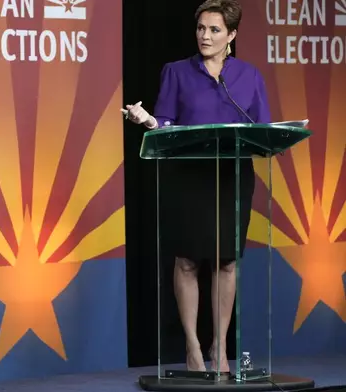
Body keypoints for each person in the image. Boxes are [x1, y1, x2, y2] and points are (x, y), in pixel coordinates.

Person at [122, 0, 270, 373]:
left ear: (231, 35)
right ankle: (192, 347)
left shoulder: (249, 76)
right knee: (187, 261)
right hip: (187, 178)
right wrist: (148, 120)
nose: (205, 36)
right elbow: (166, 123)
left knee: (226, 261)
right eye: (202, 28)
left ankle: (220, 347)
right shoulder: (175, 71)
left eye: (215, 30)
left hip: (231, 177)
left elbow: (262, 130)